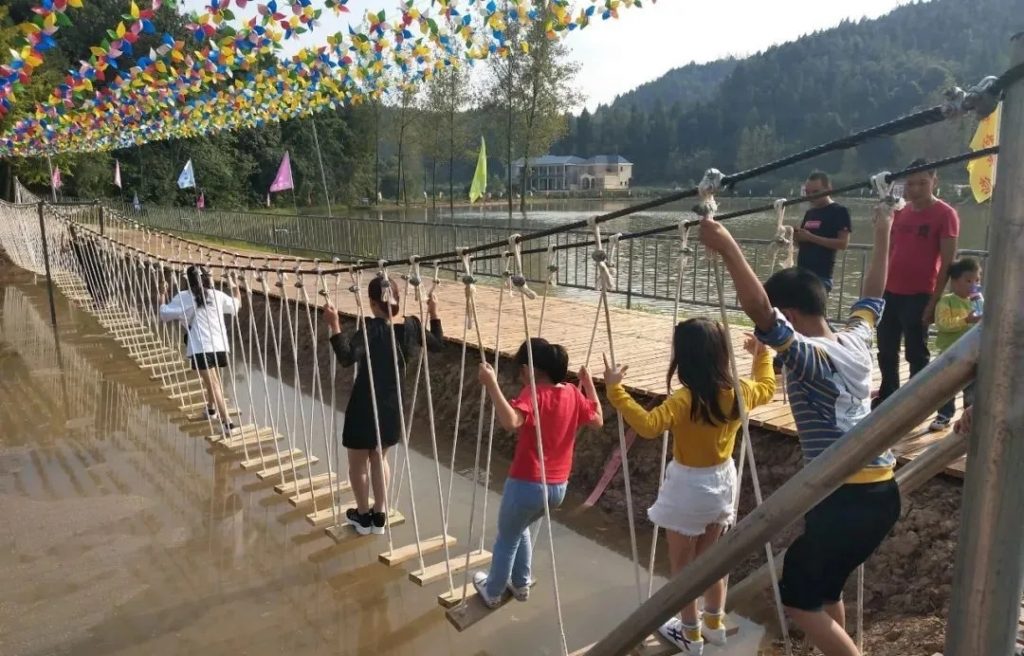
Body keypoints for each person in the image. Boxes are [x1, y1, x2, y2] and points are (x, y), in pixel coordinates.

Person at [700, 202, 900, 656]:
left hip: (846, 496)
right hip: (880, 491)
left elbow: (761, 310)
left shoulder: (810, 358)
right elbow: (874, 297)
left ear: (790, 312)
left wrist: (728, 246)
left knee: (797, 599)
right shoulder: (855, 340)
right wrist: (884, 229)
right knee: (825, 591)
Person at [603, 320, 776, 655]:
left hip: (688, 486)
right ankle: (714, 624)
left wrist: (616, 391)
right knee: (710, 559)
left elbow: (649, 426)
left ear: (683, 358)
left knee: (683, 566)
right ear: (721, 354)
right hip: (723, 480)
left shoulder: (685, 399)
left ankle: (690, 633)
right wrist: (762, 354)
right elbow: (767, 386)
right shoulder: (739, 391)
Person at [472, 339, 602, 608]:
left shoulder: (533, 393)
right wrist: (588, 383)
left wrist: (491, 384)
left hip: (526, 484)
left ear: (529, 369)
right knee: (521, 529)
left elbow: (511, 422)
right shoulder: (572, 392)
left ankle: (492, 591)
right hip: (558, 488)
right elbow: (598, 420)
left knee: (506, 538)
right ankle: (521, 584)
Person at [323, 276, 444, 536]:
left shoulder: (371, 329)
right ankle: (379, 515)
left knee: (358, 463)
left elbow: (346, 357)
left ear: (372, 302)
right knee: (380, 457)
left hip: (364, 405)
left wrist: (334, 324)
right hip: (392, 405)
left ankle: (362, 516)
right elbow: (438, 344)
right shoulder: (412, 327)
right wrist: (434, 311)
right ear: (397, 301)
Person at [875, 159, 959, 406]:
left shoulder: (945, 214)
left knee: (916, 352)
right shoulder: (900, 211)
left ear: (934, 181)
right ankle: (888, 396)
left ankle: (915, 403)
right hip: (889, 291)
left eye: (922, 183)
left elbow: (947, 262)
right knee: (886, 350)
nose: (916, 189)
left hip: (920, 293)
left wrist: (934, 302)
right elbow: (888, 250)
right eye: (910, 183)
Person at [158, 265, 241, 432]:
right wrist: (235, 285)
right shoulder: (217, 295)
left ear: (188, 281)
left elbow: (164, 314)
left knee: (214, 383)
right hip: (220, 346)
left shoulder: (184, 297)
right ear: (205, 279)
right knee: (213, 379)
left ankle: (228, 423)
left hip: (201, 347)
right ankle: (211, 410)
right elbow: (236, 305)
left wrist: (162, 294)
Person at [930, 257, 982, 431]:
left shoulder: (977, 302)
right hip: (950, 353)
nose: (973, 285)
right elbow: (943, 324)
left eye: (977, 281)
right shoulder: (947, 301)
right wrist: (966, 320)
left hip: (972, 355)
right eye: (968, 281)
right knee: (947, 386)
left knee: (971, 388)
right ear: (954, 281)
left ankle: (969, 417)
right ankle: (944, 415)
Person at [795, 171, 852, 294]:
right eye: (807, 192)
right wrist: (794, 236)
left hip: (821, 277)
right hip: (801, 273)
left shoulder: (839, 211)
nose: (811, 196)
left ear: (828, 189)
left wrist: (811, 237)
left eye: (815, 192)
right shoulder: (810, 212)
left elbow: (843, 243)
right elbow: (801, 243)